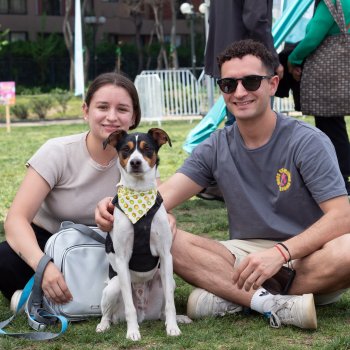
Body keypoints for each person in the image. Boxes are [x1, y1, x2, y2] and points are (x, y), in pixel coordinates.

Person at [96, 40, 350, 330]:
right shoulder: (216, 145)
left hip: (308, 255)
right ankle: (272, 303)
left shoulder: (308, 141)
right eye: (228, 84)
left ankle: (239, 297)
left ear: (273, 84)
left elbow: (342, 216)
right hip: (242, 255)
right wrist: (117, 207)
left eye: (251, 81)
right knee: (168, 238)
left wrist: (280, 253)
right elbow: (162, 197)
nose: (239, 92)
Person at [1, 72, 148, 307]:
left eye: (122, 109)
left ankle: (45, 299)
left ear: (134, 117)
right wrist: (43, 266)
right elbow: (16, 220)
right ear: (86, 111)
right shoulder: (57, 151)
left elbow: (157, 207)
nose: (111, 117)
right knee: (4, 258)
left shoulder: (140, 158)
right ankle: (52, 291)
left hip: (108, 245)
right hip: (49, 243)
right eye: (102, 107)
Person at [198, 0, 283, 200]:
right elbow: (255, 19)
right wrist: (272, 59)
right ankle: (244, 185)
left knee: (236, 123)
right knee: (255, 126)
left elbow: (214, 18)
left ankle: (226, 182)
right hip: (249, 61)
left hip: (226, 58)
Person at [288, 0, 350, 194]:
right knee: (336, 125)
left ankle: (340, 177)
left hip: (328, 78)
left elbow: (313, 38)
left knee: (329, 128)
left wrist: (293, 58)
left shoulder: (331, 4)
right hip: (342, 73)